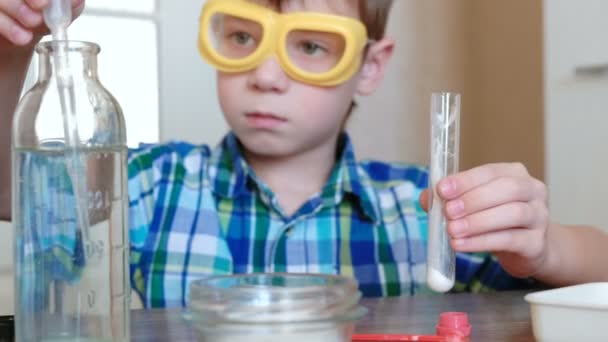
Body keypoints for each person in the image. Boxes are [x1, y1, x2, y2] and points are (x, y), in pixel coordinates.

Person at [0, 0, 606, 308]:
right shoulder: (155, 184)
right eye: (242, 37)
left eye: (311, 47)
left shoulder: (425, 211)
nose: (266, 76)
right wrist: (12, 52)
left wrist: (547, 246)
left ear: (370, 66)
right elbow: (19, 194)